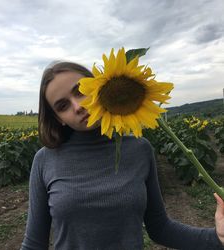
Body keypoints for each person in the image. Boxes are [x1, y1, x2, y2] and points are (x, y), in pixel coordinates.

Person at [21, 61, 224, 250]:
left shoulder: (139, 149)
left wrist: (217, 238)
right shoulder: (45, 160)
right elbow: (34, 243)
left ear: (97, 87)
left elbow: (160, 228)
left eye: (81, 91)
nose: (78, 106)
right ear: (59, 119)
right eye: (63, 106)